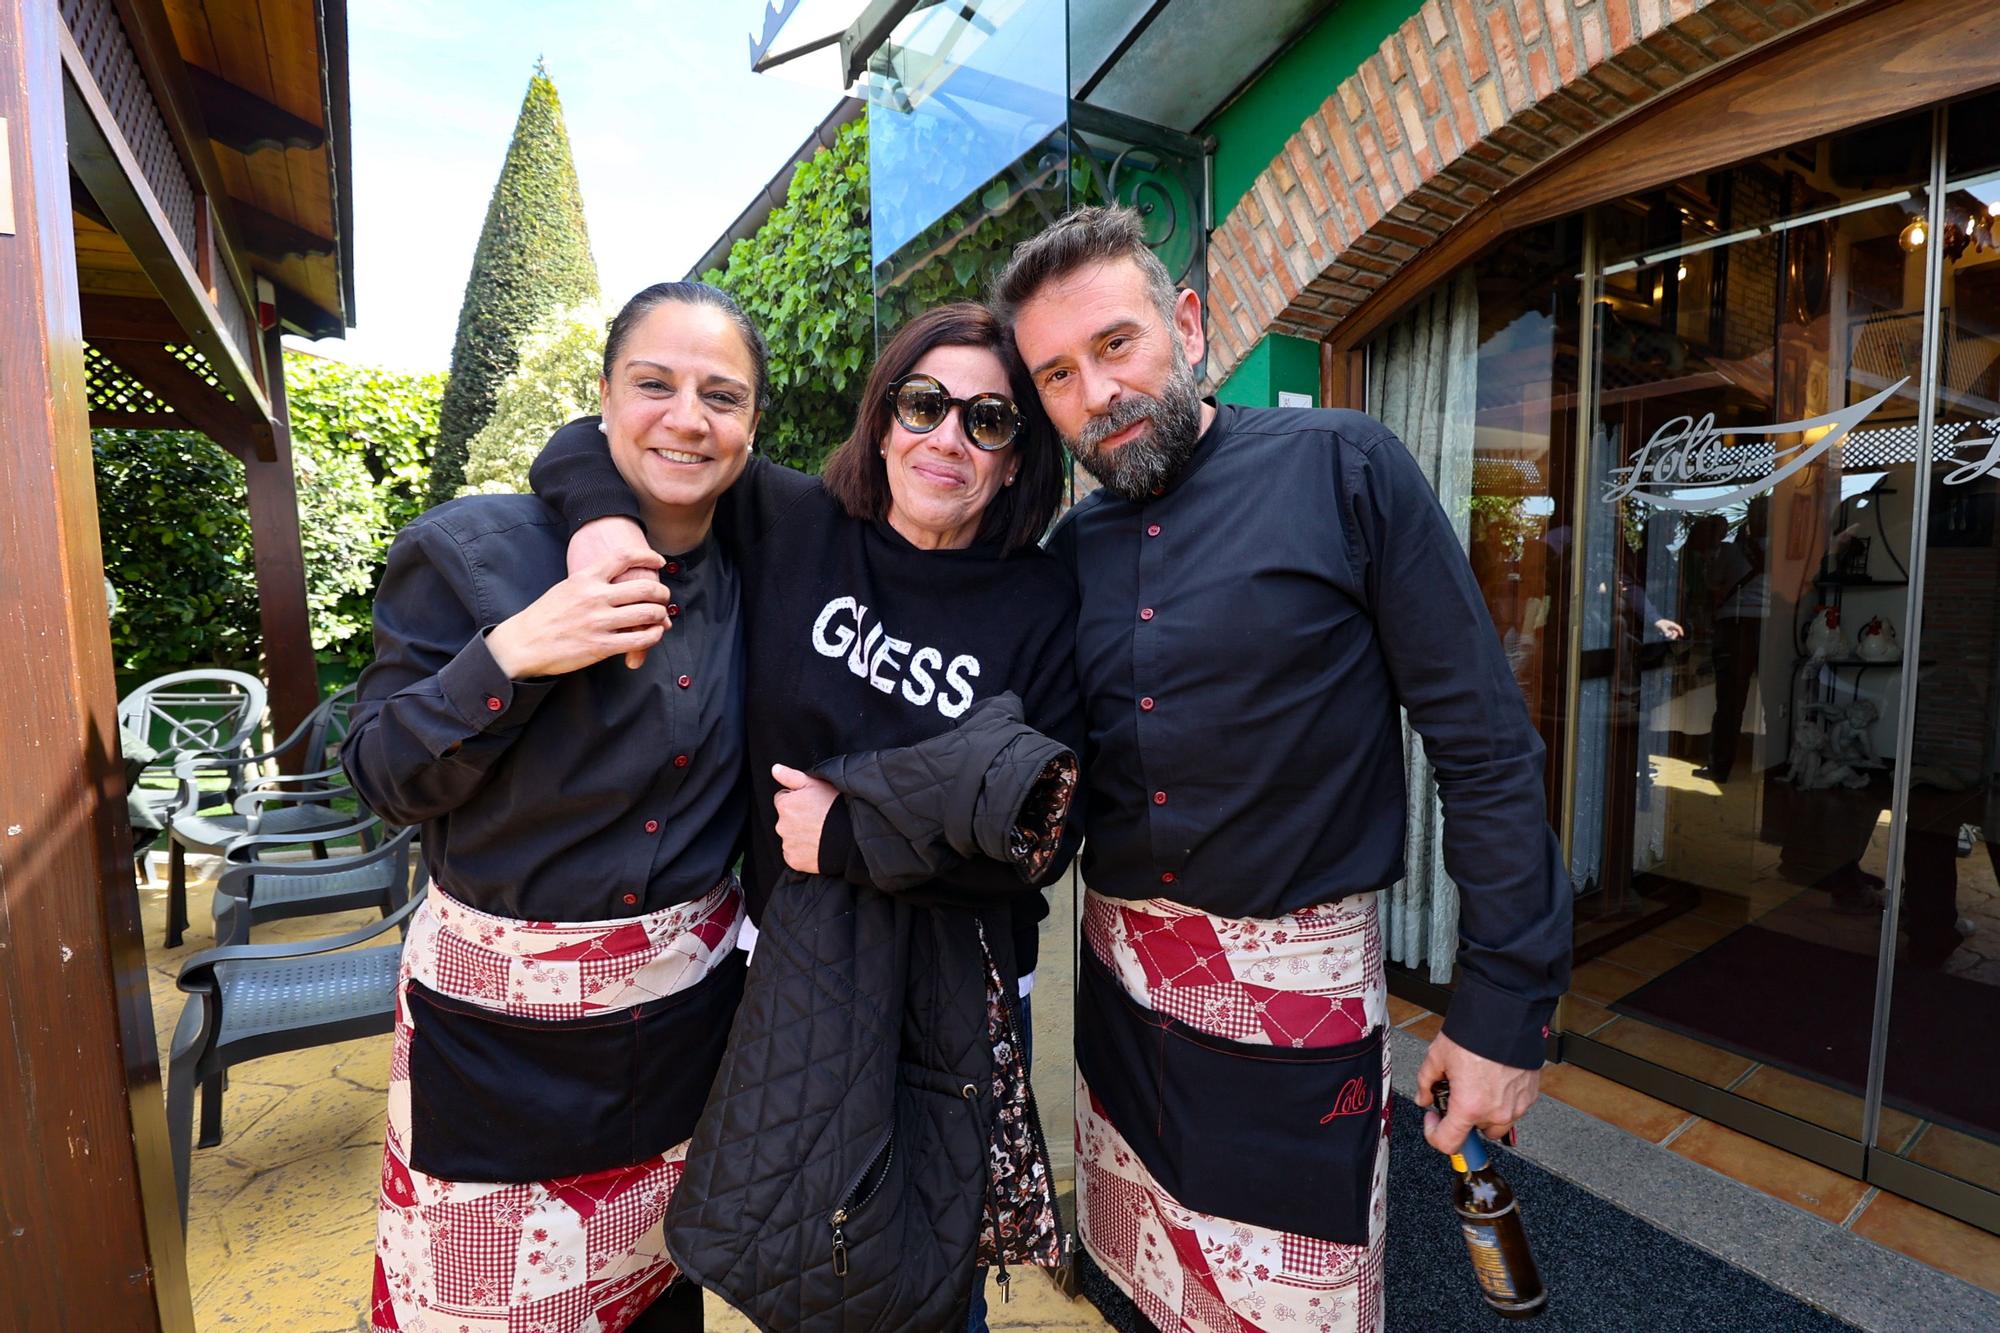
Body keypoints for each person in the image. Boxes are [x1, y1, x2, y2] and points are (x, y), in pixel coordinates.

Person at [992, 206, 1573, 1333]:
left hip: (1293, 1011)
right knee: (1139, 1293)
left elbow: (1484, 747)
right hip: (1117, 1007)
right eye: (1055, 375)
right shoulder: (1067, 553)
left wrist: (1503, 1008)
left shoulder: (1343, 468)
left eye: (1115, 345)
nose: (1094, 394)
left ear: (1189, 325)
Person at [529, 302, 1081, 1328]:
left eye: (987, 420)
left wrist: (850, 833)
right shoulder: (789, 523)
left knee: (921, 1260)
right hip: (793, 963)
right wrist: (605, 525)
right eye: (924, 404)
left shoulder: (1041, 599)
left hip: (955, 978)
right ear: (882, 421)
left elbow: (1039, 838)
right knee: (808, 1244)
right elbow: (596, 444)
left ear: (1015, 459)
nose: (946, 437)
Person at [342, 282, 763, 1333]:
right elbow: (383, 775)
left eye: (722, 394)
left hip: (681, 1037)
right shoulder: (471, 553)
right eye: (652, 383)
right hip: (494, 1051)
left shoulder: (768, 559)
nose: (686, 416)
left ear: (752, 425)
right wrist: (510, 657)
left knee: (666, 1299)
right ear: (605, 396)